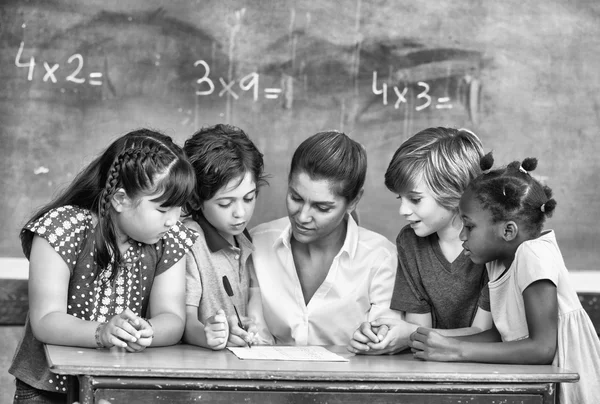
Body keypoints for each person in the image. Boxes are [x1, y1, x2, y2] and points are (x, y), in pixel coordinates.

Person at [10, 129, 198, 404]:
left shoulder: (169, 239)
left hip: (122, 389)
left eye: (178, 208)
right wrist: (102, 332)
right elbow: (46, 320)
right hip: (47, 390)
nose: (173, 220)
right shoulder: (62, 228)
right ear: (120, 200)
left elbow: (172, 317)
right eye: (162, 209)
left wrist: (148, 331)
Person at [410, 154, 600, 403]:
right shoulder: (497, 262)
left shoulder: (534, 254)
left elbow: (542, 348)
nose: (461, 236)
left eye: (469, 226)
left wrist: (457, 350)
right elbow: (504, 336)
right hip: (540, 383)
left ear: (508, 230)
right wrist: (443, 341)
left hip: (571, 384)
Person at [248, 130, 402, 346]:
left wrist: (376, 340)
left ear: (354, 201)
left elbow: (385, 340)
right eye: (296, 198)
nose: (302, 216)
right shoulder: (256, 245)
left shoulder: (380, 259)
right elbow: (252, 339)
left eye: (322, 207)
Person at [348, 127, 493, 355]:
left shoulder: (489, 245)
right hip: (428, 366)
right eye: (401, 198)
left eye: (415, 199)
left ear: (453, 191)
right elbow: (418, 331)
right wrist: (381, 336)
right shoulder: (410, 243)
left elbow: (485, 333)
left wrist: (409, 334)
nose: (403, 210)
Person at [181, 123, 271, 350]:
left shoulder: (244, 240)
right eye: (225, 203)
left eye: (249, 198)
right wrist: (207, 334)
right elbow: (182, 321)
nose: (240, 213)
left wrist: (247, 327)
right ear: (195, 200)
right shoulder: (189, 240)